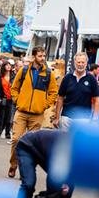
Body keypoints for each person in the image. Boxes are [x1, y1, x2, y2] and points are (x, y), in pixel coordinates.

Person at [9, 47, 58, 179]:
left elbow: (54, 92)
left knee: (31, 145)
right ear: (33, 57)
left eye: (44, 56)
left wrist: (45, 105)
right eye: (40, 56)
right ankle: (14, 164)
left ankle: (24, 170)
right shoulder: (24, 71)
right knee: (16, 139)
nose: (43, 58)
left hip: (37, 114)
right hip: (21, 111)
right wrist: (17, 100)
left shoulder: (48, 73)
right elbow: (14, 87)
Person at [15, 128, 73, 198]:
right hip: (27, 147)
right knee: (29, 184)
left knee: (69, 186)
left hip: (43, 152)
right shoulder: (62, 146)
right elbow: (53, 177)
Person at [53, 52, 99, 127]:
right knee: (64, 139)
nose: (80, 64)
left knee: (80, 139)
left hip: (83, 119)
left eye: (83, 62)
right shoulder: (67, 78)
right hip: (66, 118)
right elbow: (60, 98)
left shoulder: (92, 79)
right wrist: (57, 117)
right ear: (74, 62)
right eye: (78, 62)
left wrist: (95, 120)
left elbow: (96, 101)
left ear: (86, 63)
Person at [0, 61, 15, 139]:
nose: (9, 66)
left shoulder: (14, 76)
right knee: (0, 116)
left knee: (8, 117)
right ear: (3, 67)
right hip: (1, 98)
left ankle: (7, 133)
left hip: (11, 99)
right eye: (7, 65)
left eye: (10, 65)